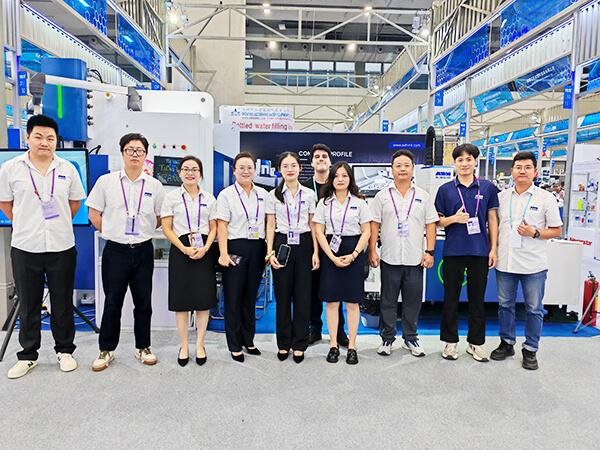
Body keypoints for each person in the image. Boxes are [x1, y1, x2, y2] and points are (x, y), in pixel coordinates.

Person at [0, 114, 86, 379]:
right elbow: (5, 203)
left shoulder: (68, 168)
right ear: (27, 137)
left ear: (56, 141)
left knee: (62, 302)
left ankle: (65, 351)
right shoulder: (11, 168)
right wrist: (25, 224)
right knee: (28, 304)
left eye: (50, 138)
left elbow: (74, 203)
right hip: (25, 246)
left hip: (62, 246)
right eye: (38, 136)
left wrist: (57, 224)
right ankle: (28, 355)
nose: (44, 142)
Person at [87, 133, 165, 371]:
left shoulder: (154, 185)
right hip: (115, 251)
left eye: (140, 151)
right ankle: (106, 349)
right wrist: (113, 232)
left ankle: (143, 347)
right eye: (130, 150)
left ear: (145, 155)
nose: (135, 154)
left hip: (143, 251)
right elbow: (93, 214)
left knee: (144, 302)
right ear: (122, 153)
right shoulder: (106, 182)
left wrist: (143, 231)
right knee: (112, 302)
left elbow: (160, 217)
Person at [491, 152, 562, 370]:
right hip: (506, 262)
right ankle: (507, 342)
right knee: (505, 306)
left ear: (535, 172)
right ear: (512, 171)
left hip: (533, 264)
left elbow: (557, 230)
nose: (522, 171)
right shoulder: (501, 197)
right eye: (518, 167)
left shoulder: (545, 198)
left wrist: (535, 233)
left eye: (528, 167)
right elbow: (494, 226)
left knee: (534, 309)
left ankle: (531, 348)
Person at [368, 150, 438, 357]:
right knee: (388, 301)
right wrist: (372, 250)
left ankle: (410, 338)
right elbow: (374, 225)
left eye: (407, 165)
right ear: (391, 170)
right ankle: (387, 339)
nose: (402, 169)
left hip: (415, 258)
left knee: (412, 302)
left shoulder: (423, 196)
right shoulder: (382, 196)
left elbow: (431, 225)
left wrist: (430, 251)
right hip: (389, 257)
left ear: (413, 169)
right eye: (398, 165)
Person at [434, 144, 499, 362]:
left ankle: (476, 343)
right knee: (450, 298)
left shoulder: (487, 188)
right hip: (453, 251)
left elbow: (492, 220)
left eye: (469, 159)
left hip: (479, 251)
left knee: (477, 299)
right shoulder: (445, 189)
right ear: (454, 163)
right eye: (460, 160)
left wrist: (493, 249)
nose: (464, 164)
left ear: (475, 162)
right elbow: (437, 221)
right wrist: (454, 218)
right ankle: (450, 342)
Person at [313, 161, 372, 364]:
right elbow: (319, 231)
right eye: (336, 176)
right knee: (332, 302)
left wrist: (354, 254)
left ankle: (352, 346)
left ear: (350, 179)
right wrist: (330, 256)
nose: (340, 179)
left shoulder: (360, 202)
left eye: (344, 175)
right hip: (330, 251)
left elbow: (366, 231)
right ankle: (333, 345)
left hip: (353, 251)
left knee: (353, 302)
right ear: (331, 179)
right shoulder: (324, 203)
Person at [161, 156, 217, 366]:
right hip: (180, 250)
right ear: (179, 173)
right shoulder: (171, 197)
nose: (190, 173)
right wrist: (183, 248)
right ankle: (184, 345)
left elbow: (214, 227)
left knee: (203, 300)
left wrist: (206, 248)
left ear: (200, 173)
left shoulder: (209, 198)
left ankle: (200, 344)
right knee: (181, 301)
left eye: (194, 169)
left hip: (204, 250)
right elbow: (167, 228)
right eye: (185, 169)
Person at [216, 152, 269, 363]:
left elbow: (269, 223)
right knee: (233, 297)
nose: (246, 171)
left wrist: (268, 250)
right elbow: (221, 225)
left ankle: (249, 340)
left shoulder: (263, 194)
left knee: (250, 296)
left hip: (257, 247)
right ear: (234, 171)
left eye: (249, 167)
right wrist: (222, 253)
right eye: (241, 168)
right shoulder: (226, 195)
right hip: (235, 247)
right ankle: (235, 344)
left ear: (254, 170)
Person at [266, 152, 319, 363]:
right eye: (285, 166)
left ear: (300, 168)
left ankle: (299, 344)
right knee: (282, 297)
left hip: (305, 243)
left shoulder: (309, 194)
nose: (290, 169)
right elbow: (270, 224)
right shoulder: (273, 195)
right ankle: (283, 343)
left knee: (303, 297)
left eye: (293, 165)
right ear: (280, 170)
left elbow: (313, 224)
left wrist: (316, 251)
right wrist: (269, 252)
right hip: (282, 244)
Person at [301, 144, 349, 347]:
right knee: (312, 289)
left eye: (324, 157)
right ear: (311, 163)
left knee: (336, 288)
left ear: (330, 162)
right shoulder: (303, 187)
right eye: (317, 157)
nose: (321, 159)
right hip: (310, 243)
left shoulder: (338, 184)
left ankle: (339, 331)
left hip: (335, 243)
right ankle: (314, 328)